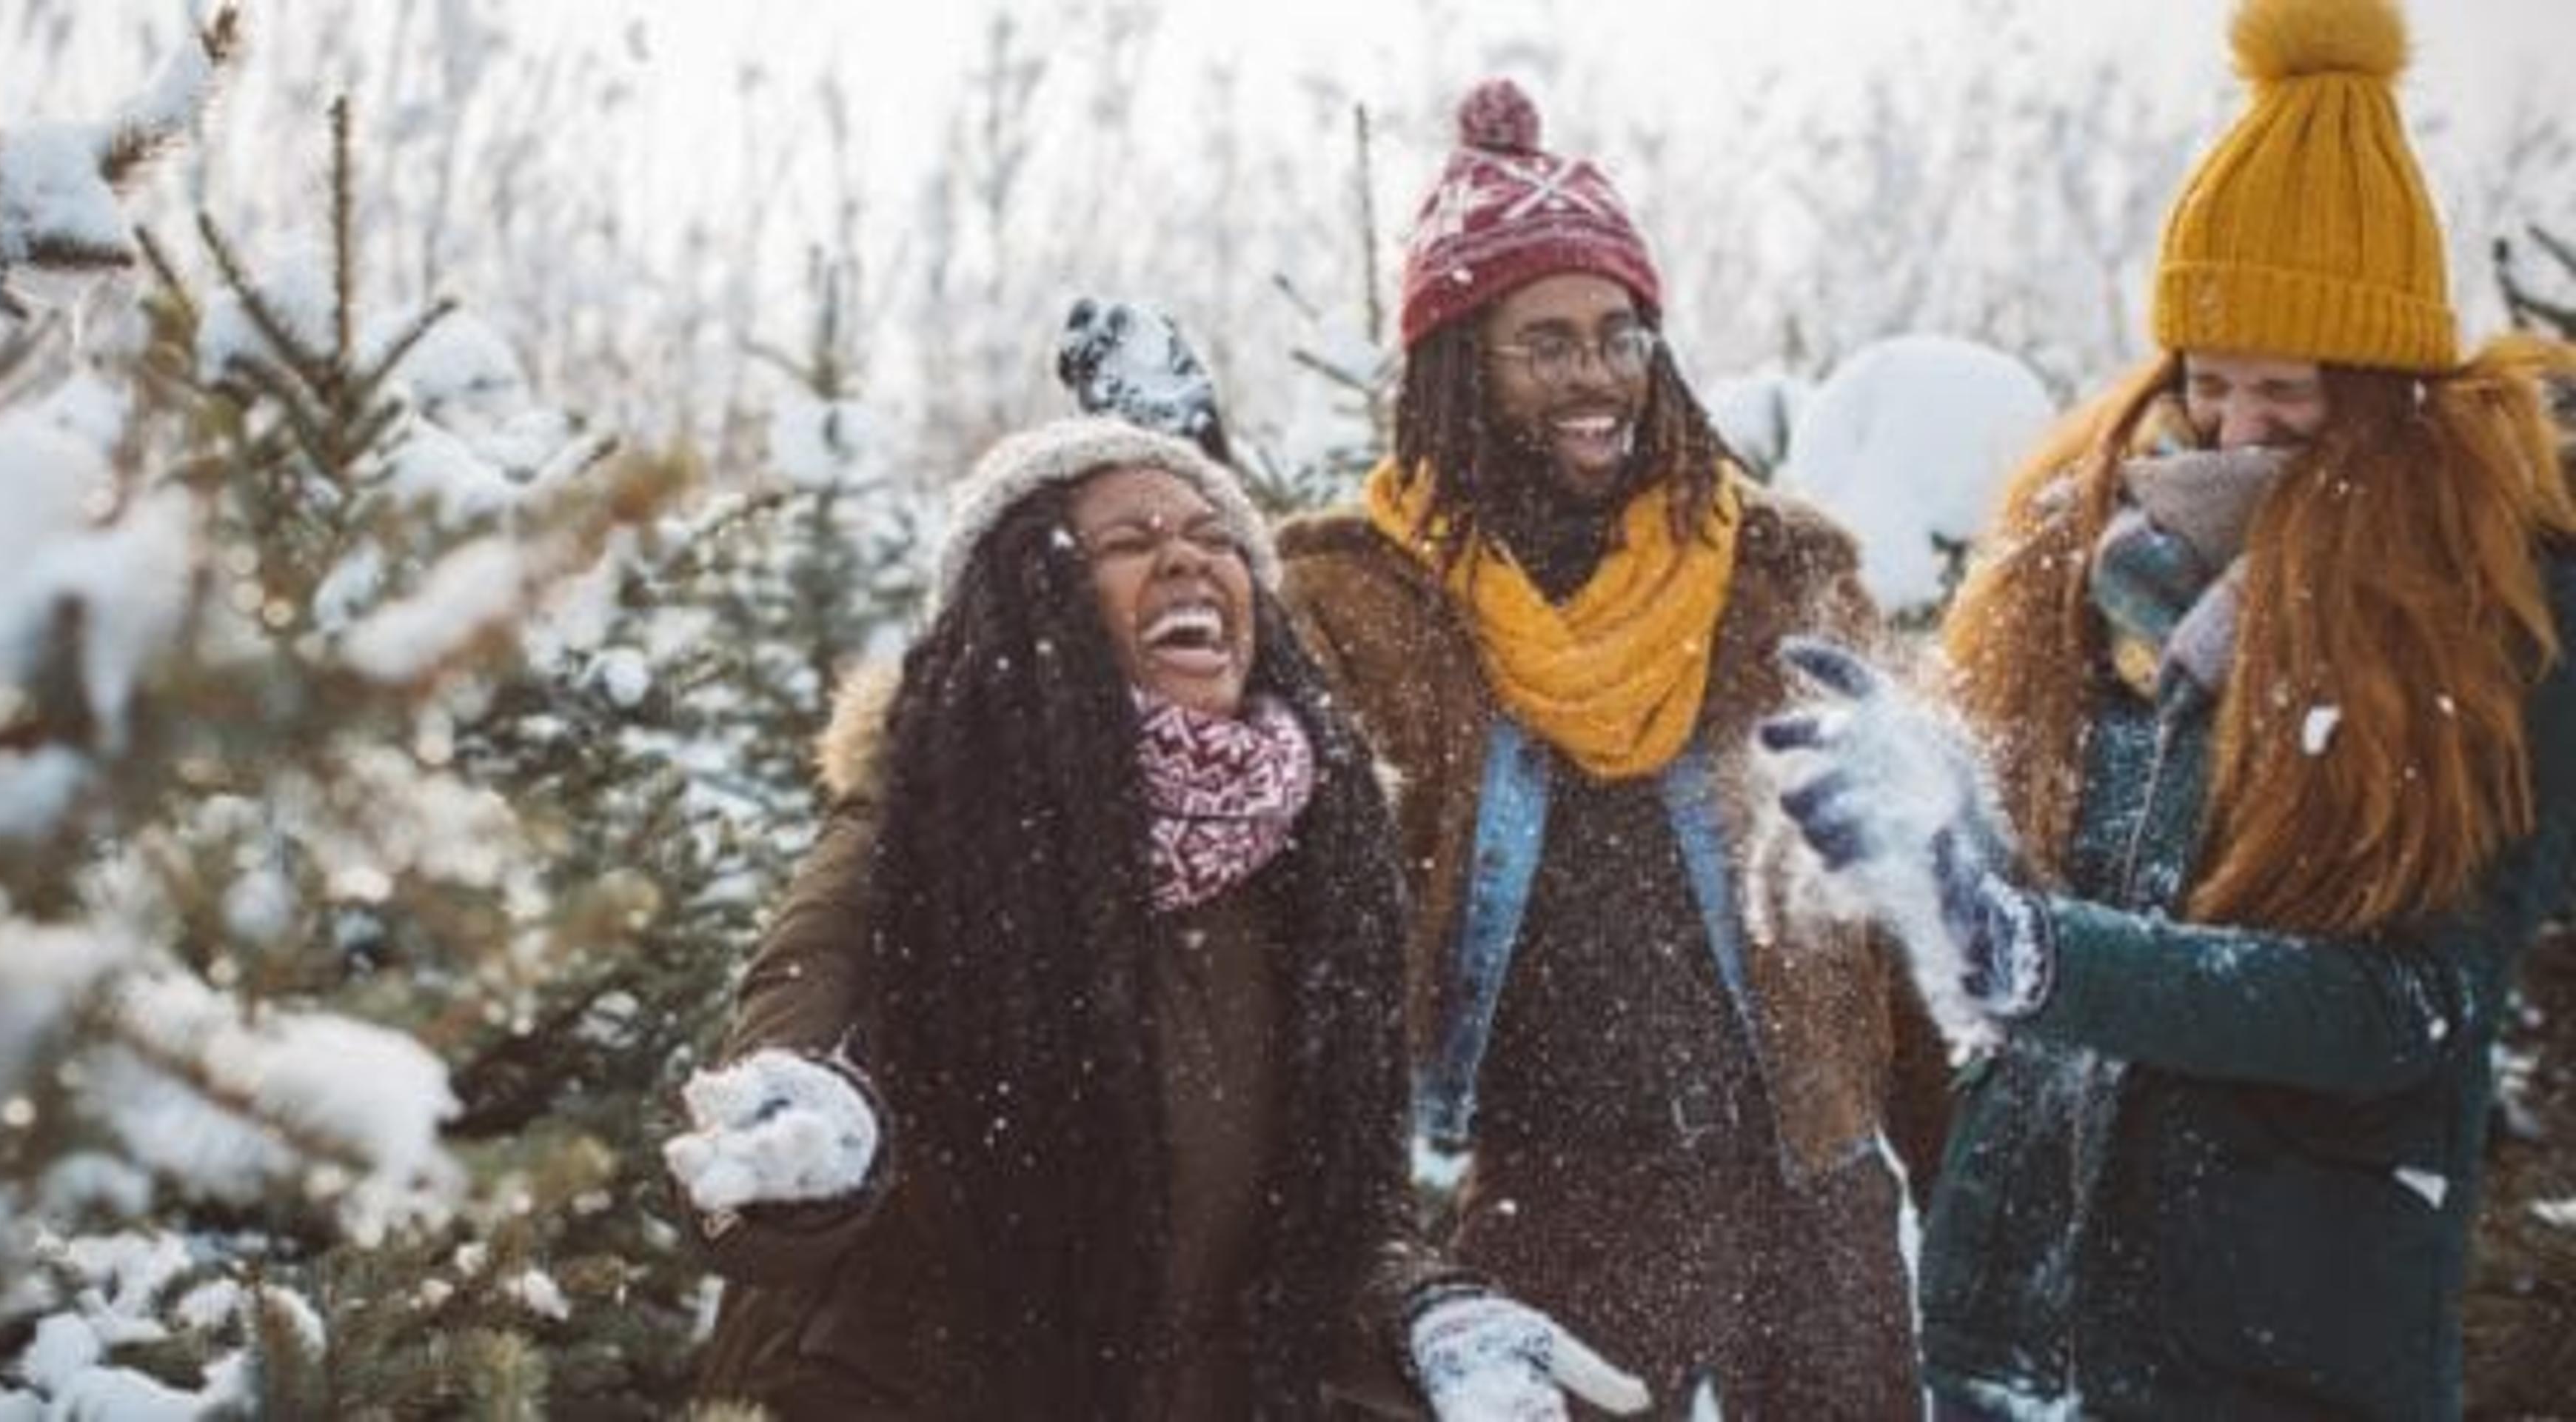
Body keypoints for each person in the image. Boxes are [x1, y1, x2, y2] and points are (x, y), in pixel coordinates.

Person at [1759, 0, 2576, 1415]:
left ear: (2385, 393)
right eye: (2209, 385)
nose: (2234, 431)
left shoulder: (2496, 616)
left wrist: (2040, 955)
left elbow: (2408, 1005)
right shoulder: (2085, 569)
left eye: (2288, 394)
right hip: (2015, 1327)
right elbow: (2018, 928)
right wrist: (1947, 827)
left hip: (2279, 1355)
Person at [663, 415, 1647, 1420]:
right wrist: (807, 1157)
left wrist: (1429, 1306)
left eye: (1215, 535)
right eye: (1129, 542)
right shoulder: (917, 826)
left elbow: (1342, 1214)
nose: (1186, 553)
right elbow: (755, 1131)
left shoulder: (1318, 856)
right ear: (1033, 604)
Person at [1274, 77, 1947, 1418]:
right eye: (1548, 343)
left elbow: (1896, 890)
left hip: (1805, 1188)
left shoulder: (1780, 571)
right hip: (1542, 1191)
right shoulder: (1359, 601)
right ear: (1462, 363)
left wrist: (1942, 1161)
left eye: (1621, 334)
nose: (1598, 375)